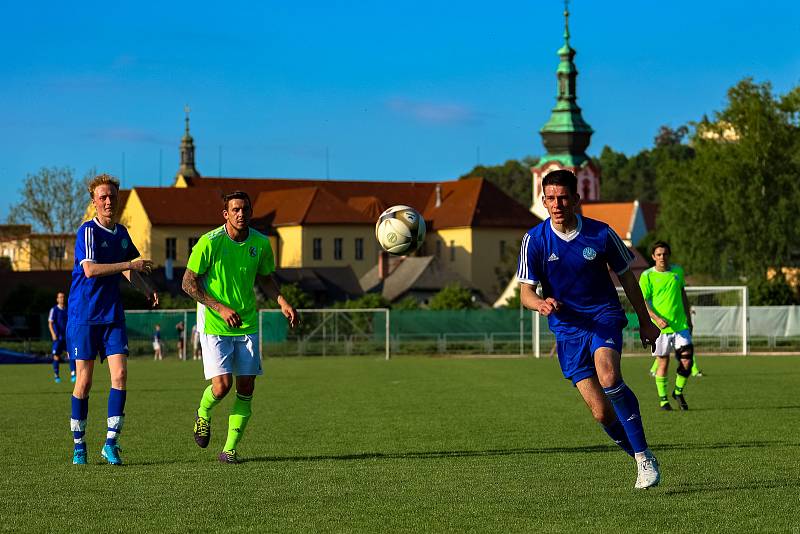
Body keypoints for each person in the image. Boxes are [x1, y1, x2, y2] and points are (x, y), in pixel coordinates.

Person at [517, 169, 662, 489]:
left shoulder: (601, 234)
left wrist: (645, 321)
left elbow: (627, 278)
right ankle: (640, 455)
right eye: (551, 198)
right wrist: (539, 303)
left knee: (609, 376)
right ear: (543, 200)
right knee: (600, 413)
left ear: (576, 199)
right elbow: (525, 291)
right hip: (567, 330)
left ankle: (644, 458)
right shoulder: (534, 240)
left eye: (563, 197)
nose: (557, 204)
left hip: (603, 317)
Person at [182, 191, 297, 464]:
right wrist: (220, 308)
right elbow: (188, 283)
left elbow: (266, 279)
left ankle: (230, 449)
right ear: (226, 214)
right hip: (214, 322)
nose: (240, 213)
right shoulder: (209, 243)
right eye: (235, 209)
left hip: (247, 322)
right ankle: (203, 413)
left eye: (245, 209)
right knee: (222, 386)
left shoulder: (260, 243)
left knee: (246, 387)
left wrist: (282, 301)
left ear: (251, 212)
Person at [67, 173, 158, 466]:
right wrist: (129, 264)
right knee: (85, 380)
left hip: (112, 316)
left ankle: (110, 443)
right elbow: (91, 270)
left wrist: (147, 289)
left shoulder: (121, 233)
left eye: (112, 197)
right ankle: (79, 446)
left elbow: (128, 270)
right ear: (94, 202)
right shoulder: (88, 232)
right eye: (103, 197)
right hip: (84, 315)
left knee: (119, 376)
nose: (108, 201)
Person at [640, 241, 694, 410]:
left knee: (687, 361)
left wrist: (689, 318)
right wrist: (656, 318)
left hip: (680, 326)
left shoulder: (677, 272)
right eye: (659, 254)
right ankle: (663, 400)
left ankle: (678, 392)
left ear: (669, 255)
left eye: (665, 254)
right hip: (660, 329)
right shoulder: (647, 276)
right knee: (663, 363)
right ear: (653, 257)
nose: (662, 257)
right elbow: (642, 301)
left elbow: (683, 295)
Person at [48, 291, 75, 383]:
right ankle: (56, 375)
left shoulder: (67, 310)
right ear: (57, 299)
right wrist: (53, 334)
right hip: (58, 337)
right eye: (60, 297)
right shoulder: (54, 310)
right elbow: (50, 323)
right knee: (56, 356)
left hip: (67, 337)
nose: (62, 298)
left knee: (71, 354)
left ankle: (73, 374)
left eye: (63, 297)